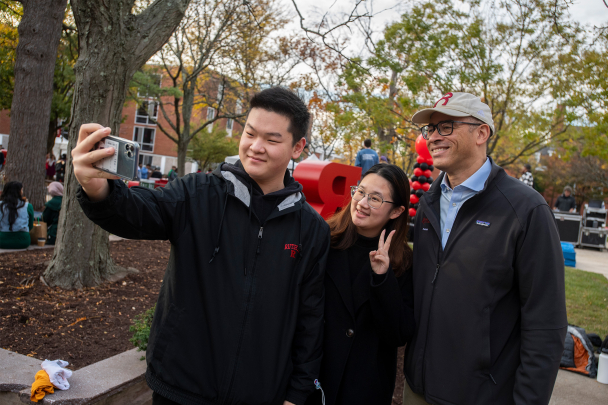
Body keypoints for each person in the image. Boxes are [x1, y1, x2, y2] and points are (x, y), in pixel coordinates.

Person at [72, 87, 330, 405]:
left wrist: (297, 393)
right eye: (250, 133)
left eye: (272, 139)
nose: (255, 147)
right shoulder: (197, 194)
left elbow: (310, 319)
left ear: (297, 147)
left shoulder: (312, 230)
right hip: (180, 387)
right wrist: (98, 189)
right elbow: (137, 212)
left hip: (261, 393)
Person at [403, 92, 566, 405]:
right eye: (430, 130)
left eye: (446, 127)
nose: (433, 137)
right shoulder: (427, 205)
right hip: (417, 389)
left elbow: (546, 323)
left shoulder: (526, 210)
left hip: (482, 395)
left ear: (481, 133)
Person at [305, 164, 414, 405]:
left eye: (375, 199)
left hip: (365, 389)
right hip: (314, 381)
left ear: (396, 212)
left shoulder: (402, 262)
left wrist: (382, 278)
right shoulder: (324, 240)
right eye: (360, 192)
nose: (362, 203)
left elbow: (399, 333)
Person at [0, 181, 34, 249]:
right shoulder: (28, 206)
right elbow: (30, 226)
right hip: (23, 241)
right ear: (19, 191)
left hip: (2, 241)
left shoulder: (1, 205)